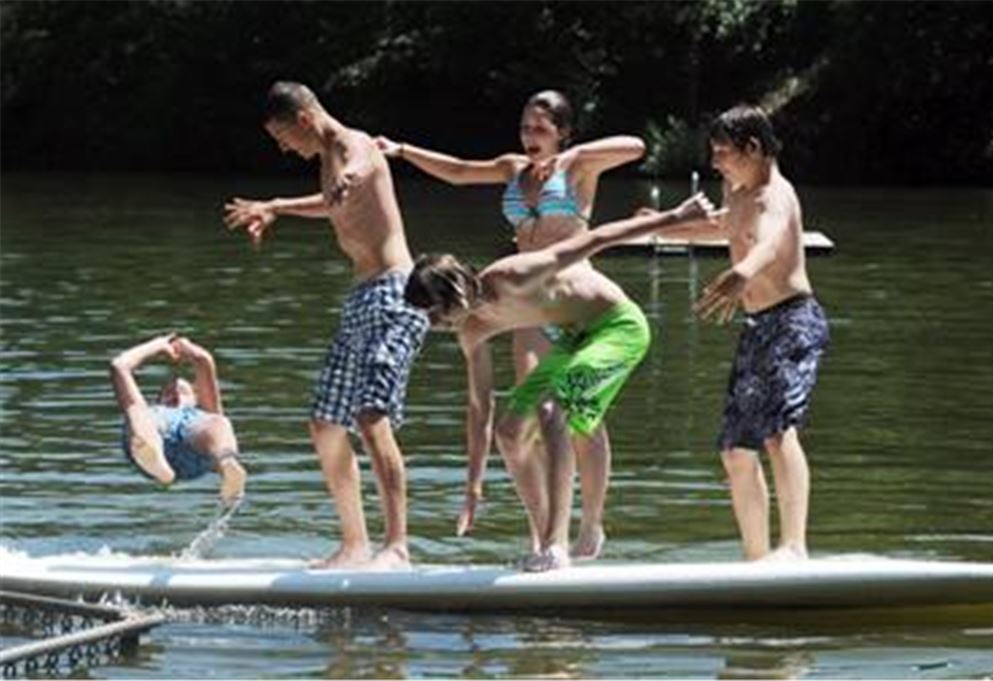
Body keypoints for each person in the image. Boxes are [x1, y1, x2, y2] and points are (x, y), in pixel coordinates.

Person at [377, 90, 645, 560]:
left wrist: (574, 156)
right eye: (525, 128)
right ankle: (543, 533)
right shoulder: (512, 169)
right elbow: (459, 171)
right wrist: (401, 150)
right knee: (523, 424)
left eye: (541, 129)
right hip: (527, 308)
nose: (530, 136)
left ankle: (589, 528)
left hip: (572, 294)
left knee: (579, 416)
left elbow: (636, 147)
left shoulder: (578, 167)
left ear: (562, 132)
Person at [404, 192, 721, 571]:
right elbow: (479, 407)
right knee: (510, 433)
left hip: (618, 327)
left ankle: (568, 539)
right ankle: (545, 538)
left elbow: (596, 238)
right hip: (574, 339)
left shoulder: (513, 276)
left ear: (455, 289)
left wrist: (676, 217)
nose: (433, 324)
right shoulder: (471, 331)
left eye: (434, 313)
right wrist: (473, 485)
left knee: (552, 407)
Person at [222, 82, 429, 570]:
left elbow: (361, 165)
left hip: (395, 294)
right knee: (325, 424)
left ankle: (397, 547)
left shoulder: (351, 144)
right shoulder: (324, 160)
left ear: (304, 119)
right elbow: (332, 201)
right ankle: (355, 545)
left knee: (371, 416)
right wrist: (276, 207)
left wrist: (347, 178)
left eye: (283, 138)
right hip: (361, 298)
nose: (284, 149)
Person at [693, 105, 830, 561]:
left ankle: (794, 546)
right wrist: (658, 223)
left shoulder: (777, 195)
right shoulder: (737, 191)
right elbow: (724, 228)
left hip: (794, 322)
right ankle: (755, 558)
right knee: (735, 450)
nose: (715, 163)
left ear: (752, 148)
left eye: (722, 153)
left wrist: (742, 273)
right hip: (758, 328)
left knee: (777, 431)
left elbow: (769, 243)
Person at [110, 333, 247, 503]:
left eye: (183, 391)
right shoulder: (154, 412)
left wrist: (190, 349)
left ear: (196, 398)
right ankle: (154, 459)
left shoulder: (201, 414)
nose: (176, 394)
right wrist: (157, 345)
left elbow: (203, 360)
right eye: (168, 392)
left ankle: (227, 465)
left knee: (219, 422)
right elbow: (119, 365)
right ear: (159, 400)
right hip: (152, 436)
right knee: (136, 411)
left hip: (196, 447)